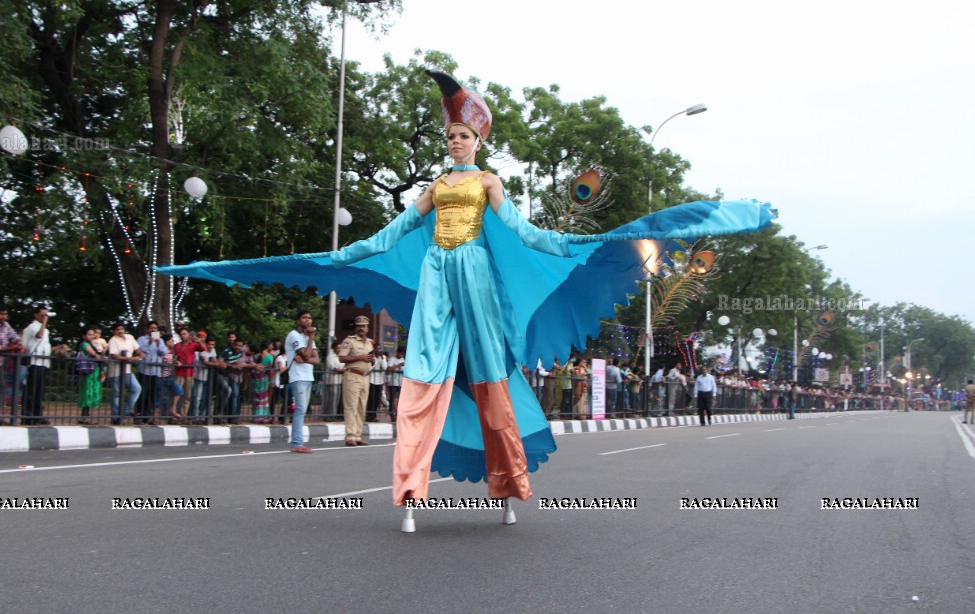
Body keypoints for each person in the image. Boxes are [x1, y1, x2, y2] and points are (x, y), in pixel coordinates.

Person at [156, 70, 775, 531]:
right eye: (449, 135)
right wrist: (344, 255)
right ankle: (409, 492)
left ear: (475, 141)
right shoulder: (434, 186)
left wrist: (574, 244)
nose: (454, 143)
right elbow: (393, 233)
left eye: (462, 135)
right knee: (423, 378)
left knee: (490, 380)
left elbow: (527, 234)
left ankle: (507, 483)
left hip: (475, 277)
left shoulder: (487, 182)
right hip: (436, 279)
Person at [284, 309, 318, 453]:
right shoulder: (294, 335)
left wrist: (305, 358)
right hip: (298, 377)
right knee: (300, 410)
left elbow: (316, 359)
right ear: (298, 320)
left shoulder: (308, 338)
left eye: (310, 318)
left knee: (302, 410)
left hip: (308, 377)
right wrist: (310, 339)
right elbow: (304, 354)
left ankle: (297, 442)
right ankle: (297, 443)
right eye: (304, 317)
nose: (308, 320)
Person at [338, 316, 374, 447]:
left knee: (361, 407)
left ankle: (358, 435)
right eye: (359, 326)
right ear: (355, 327)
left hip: (365, 376)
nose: (361, 328)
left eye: (363, 326)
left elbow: (370, 358)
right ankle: (350, 436)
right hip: (352, 376)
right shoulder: (349, 341)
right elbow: (341, 358)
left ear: (367, 328)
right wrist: (361, 357)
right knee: (351, 407)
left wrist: (371, 360)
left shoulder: (370, 342)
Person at [106, 322, 143, 425]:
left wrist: (140, 354)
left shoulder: (130, 337)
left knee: (137, 389)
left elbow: (138, 349)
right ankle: (115, 417)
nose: (120, 331)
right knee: (116, 395)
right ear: (114, 331)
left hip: (127, 370)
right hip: (116, 372)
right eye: (117, 329)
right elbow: (114, 356)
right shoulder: (113, 340)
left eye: (121, 329)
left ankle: (125, 411)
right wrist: (131, 358)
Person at [135, 321, 167, 424]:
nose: (153, 330)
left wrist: (157, 343)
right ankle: (139, 415)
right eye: (151, 328)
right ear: (147, 329)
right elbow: (140, 351)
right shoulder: (141, 339)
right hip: (144, 370)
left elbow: (163, 353)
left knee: (152, 395)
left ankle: (148, 416)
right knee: (143, 393)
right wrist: (149, 342)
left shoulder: (160, 340)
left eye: (155, 328)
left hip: (155, 371)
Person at [76, 327, 102, 424]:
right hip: (90, 371)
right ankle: (85, 417)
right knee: (88, 392)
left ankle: (85, 416)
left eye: (92, 334)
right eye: (89, 334)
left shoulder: (90, 344)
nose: (92, 336)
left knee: (88, 392)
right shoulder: (85, 344)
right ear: (84, 336)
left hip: (92, 371)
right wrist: (99, 356)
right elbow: (94, 354)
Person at [323, 339, 344, 419]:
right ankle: (328, 416)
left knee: (337, 399)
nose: (339, 349)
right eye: (338, 348)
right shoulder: (330, 357)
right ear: (334, 348)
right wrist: (342, 370)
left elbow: (343, 366)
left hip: (339, 380)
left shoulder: (340, 357)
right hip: (332, 381)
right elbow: (334, 368)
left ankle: (333, 415)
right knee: (332, 399)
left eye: (340, 348)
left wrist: (342, 369)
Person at [367, 347, 387, 422]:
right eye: (377, 349)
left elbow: (384, 367)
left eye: (380, 349)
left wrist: (382, 358)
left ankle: (374, 415)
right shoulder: (372, 357)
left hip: (380, 381)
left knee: (377, 399)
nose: (379, 350)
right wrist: (375, 360)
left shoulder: (383, 357)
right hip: (372, 380)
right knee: (371, 398)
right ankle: (369, 415)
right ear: (375, 350)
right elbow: (371, 368)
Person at [387, 346, 405, 423]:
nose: (401, 355)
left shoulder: (403, 360)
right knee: (392, 399)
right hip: (393, 383)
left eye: (403, 354)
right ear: (397, 352)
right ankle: (391, 414)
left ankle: (399, 414)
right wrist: (399, 365)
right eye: (400, 354)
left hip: (400, 382)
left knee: (401, 399)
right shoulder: (392, 359)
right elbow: (389, 369)